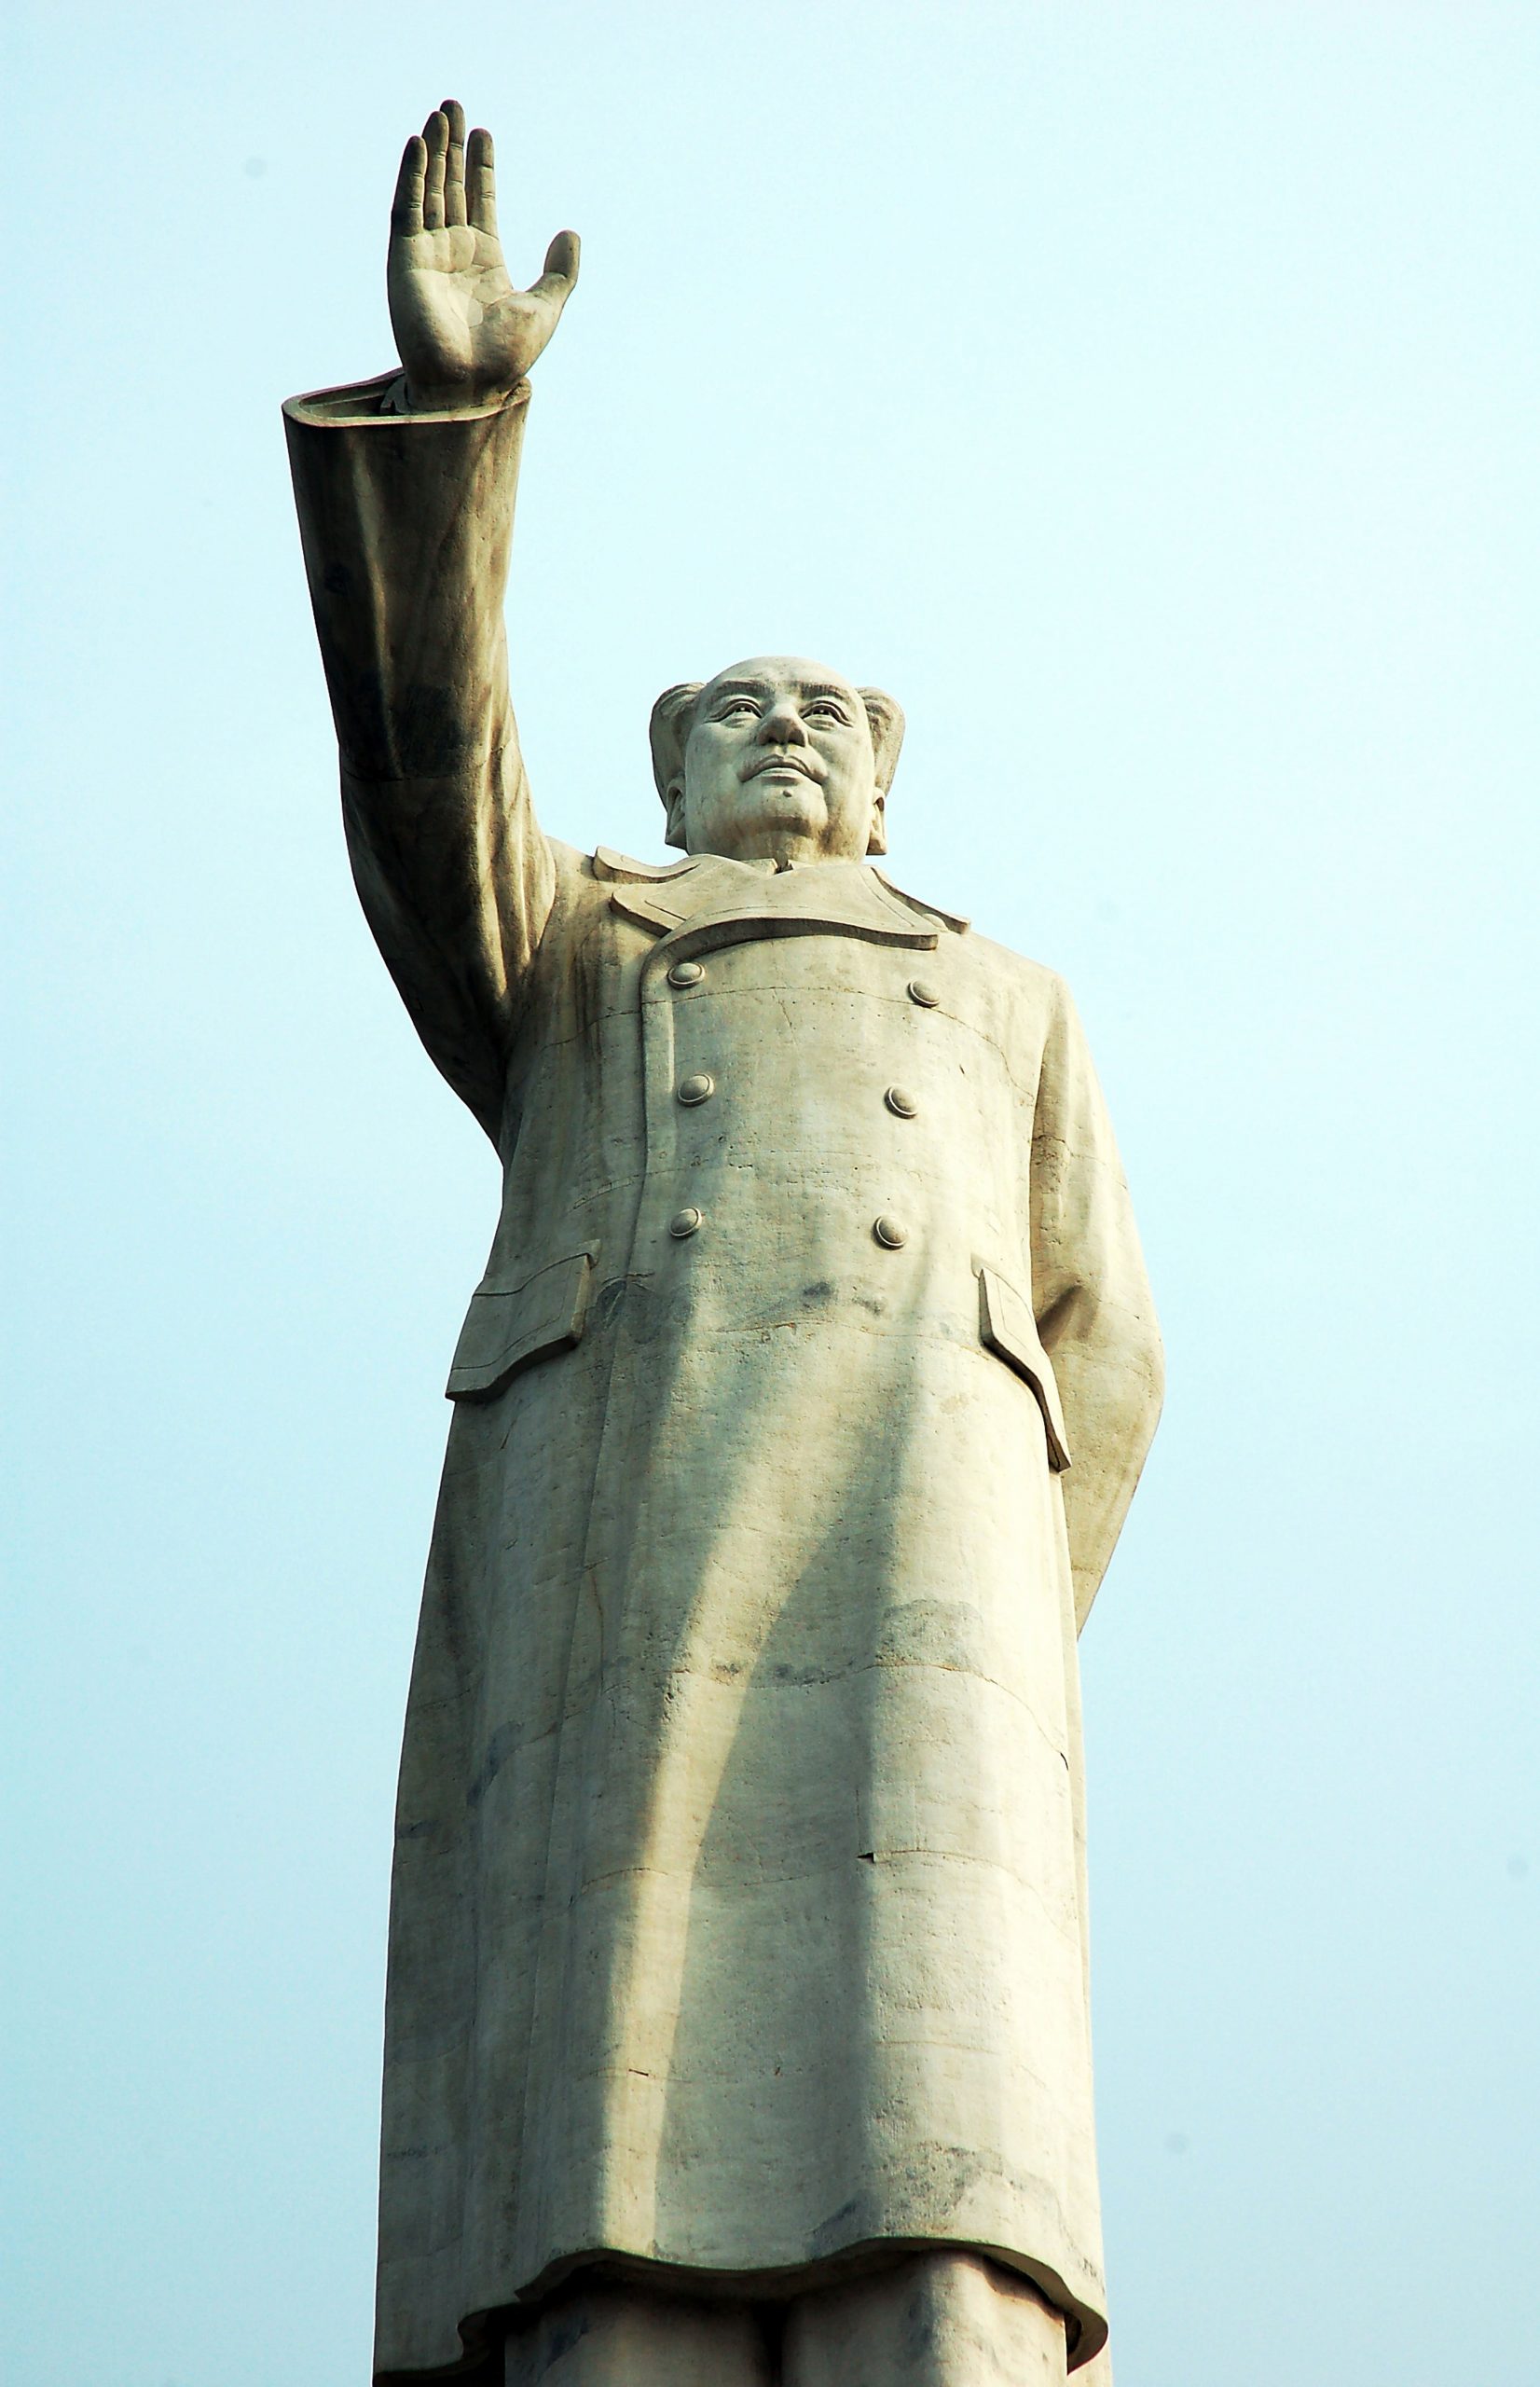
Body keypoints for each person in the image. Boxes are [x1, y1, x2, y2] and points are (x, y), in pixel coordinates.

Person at [284, 99, 1162, 2387]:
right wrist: (466, 418)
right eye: (737, 716)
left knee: (940, 2174)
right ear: (667, 779)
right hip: (633, 1557)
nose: (787, 732)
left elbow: (1110, 1352)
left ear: (886, 784)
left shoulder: (1005, 989)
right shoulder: (580, 946)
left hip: (923, 1592)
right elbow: (422, 768)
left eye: (831, 718)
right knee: (613, 2176)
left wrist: (984, 1624)